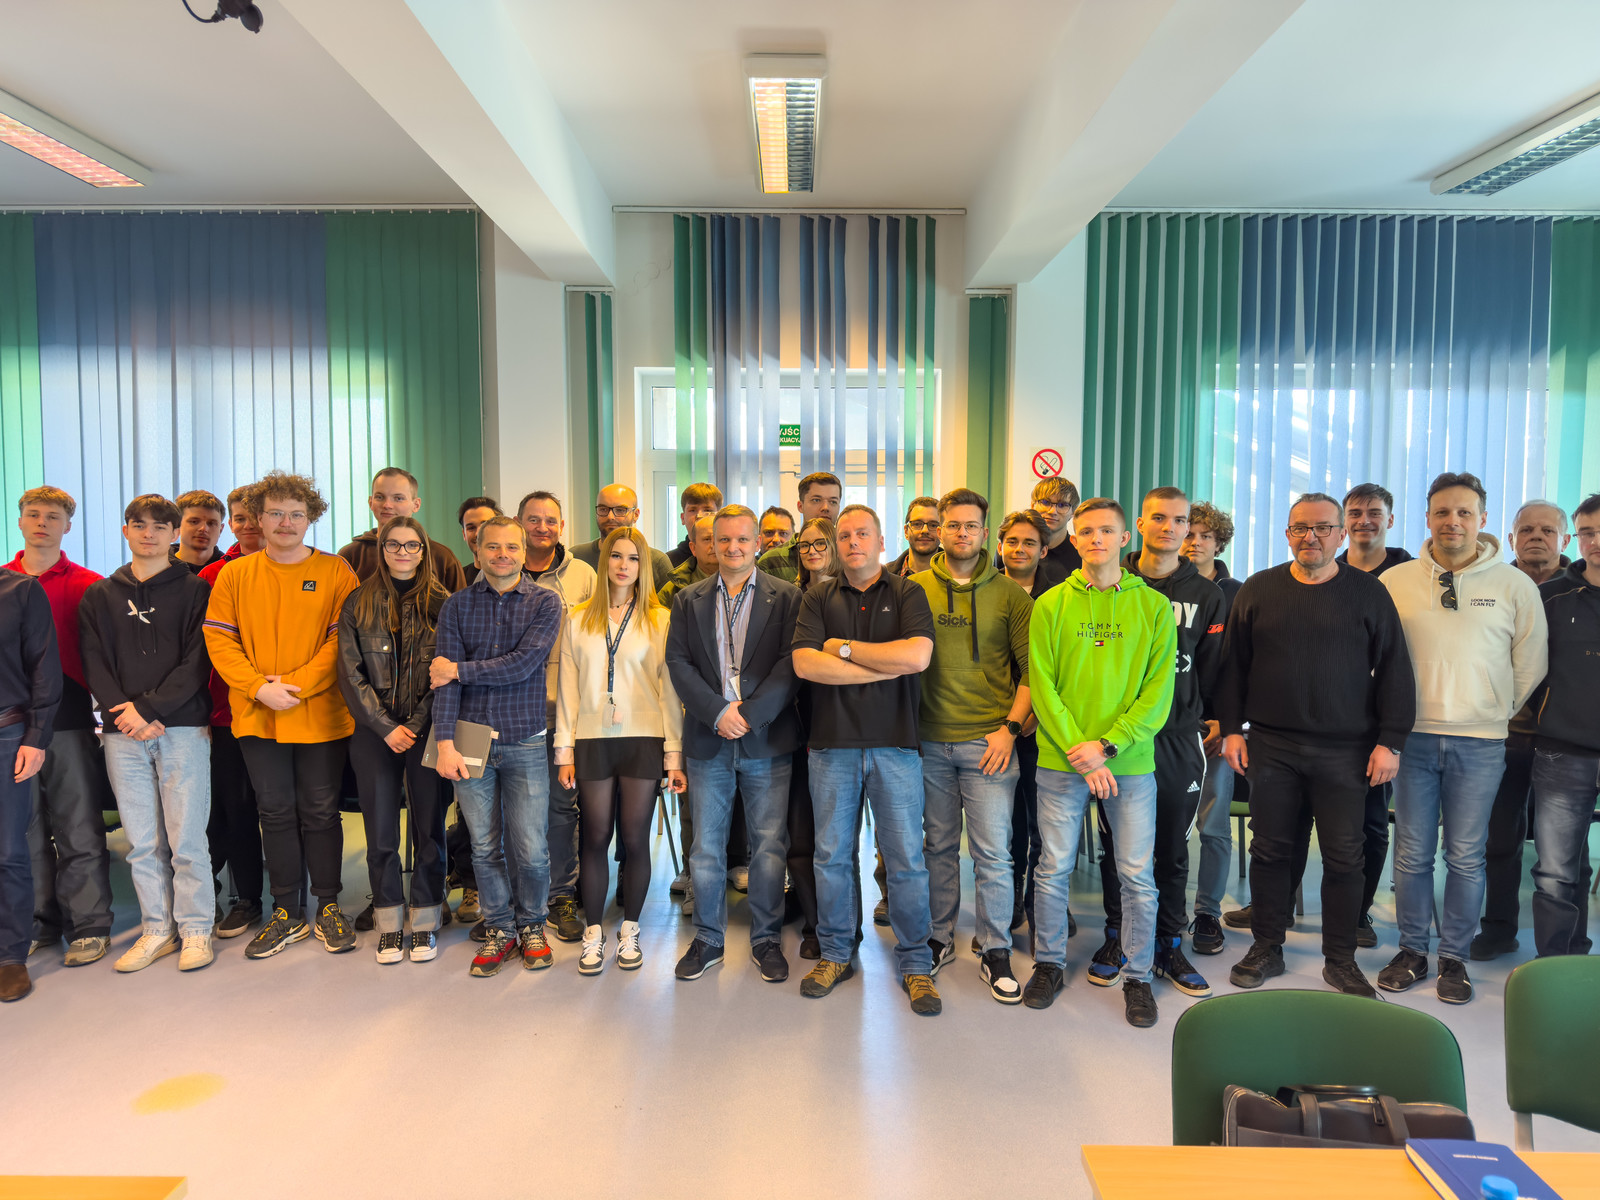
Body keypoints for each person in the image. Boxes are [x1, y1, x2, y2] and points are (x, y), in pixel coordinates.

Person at [1219, 493, 1414, 1000]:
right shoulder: (1259, 589)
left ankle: (1341, 959)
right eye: (1300, 528)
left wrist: (1391, 742)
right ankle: (1267, 946)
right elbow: (1234, 665)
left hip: (1347, 750)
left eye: (1323, 528)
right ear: (1288, 534)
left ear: (1340, 534)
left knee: (1345, 856)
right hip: (1273, 744)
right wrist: (1233, 728)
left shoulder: (1368, 593)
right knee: (1269, 850)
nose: (1311, 537)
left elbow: (1395, 667)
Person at [1380, 472, 1545, 1005]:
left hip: (1481, 742)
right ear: (1428, 518)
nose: (1453, 521)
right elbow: (1377, 656)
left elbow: (1531, 662)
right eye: (1443, 512)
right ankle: (1412, 950)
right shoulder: (1396, 581)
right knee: (1411, 854)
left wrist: (1492, 710)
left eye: (1464, 512)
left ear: (1483, 520)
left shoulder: (1513, 585)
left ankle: (1453, 957)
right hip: (1411, 740)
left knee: (1467, 856)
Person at [1026, 498, 1176, 1027]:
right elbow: (1042, 688)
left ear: (1124, 538)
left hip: (1129, 764)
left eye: (1106, 531)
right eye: (1086, 531)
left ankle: (1138, 976)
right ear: (1074, 539)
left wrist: (1107, 747)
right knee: (1053, 868)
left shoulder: (1153, 607)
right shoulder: (1050, 604)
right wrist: (1083, 753)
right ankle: (1048, 963)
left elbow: (1158, 694)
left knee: (1136, 875)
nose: (1096, 539)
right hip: (1062, 761)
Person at [203, 470, 361, 959]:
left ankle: (328, 905)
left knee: (320, 811)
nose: (286, 522)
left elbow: (342, 640)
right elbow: (219, 638)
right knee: (273, 812)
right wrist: (257, 688)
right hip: (257, 714)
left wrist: (295, 686)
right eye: (276, 513)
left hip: (320, 713)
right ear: (258, 518)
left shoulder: (336, 571)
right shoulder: (234, 574)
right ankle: (286, 911)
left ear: (310, 518)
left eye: (296, 513)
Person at [791, 504, 940, 1015]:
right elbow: (805, 664)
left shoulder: (908, 592)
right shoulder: (817, 597)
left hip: (896, 746)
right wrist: (883, 665)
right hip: (830, 747)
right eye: (845, 535)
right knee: (832, 857)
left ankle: (916, 962)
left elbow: (916, 657)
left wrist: (843, 650)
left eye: (863, 534)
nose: (853, 542)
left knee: (906, 861)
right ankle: (836, 953)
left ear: (880, 542)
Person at [1095, 487, 1224, 1000]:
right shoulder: (1112, 583)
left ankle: (1169, 943)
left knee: (1170, 847)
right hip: (1120, 737)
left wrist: (1215, 717)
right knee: (1118, 848)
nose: (1170, 528)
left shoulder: (1208, 594)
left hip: (1176, 737)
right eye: (1159, 518)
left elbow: (1213, 666)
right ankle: (1118, 937)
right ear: (1141, 525)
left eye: (1180, 520)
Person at [79, 495, 215, 974]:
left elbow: (199, 660)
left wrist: (150, 709)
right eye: (139, 525)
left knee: (186, 839)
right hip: (123, 732)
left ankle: (196, 929)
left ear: (175, 534)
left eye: (160, 526)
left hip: (182, 727)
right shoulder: (100, 595)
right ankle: (157, 929)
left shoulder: (196, 590)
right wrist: (126, 714)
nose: (149, 534)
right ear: (125, 531)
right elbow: (93, 661)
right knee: (141, 841)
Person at [667, 505, 802, 982]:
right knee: (707, 848)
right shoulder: (688, 599)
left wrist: (748, 714)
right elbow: (678, 663)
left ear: (758, 543)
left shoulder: (787, 597)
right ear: (710, 544)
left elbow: (791, 664)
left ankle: (766, 939)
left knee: (769, 845)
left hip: (766, 737)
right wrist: (718, 712)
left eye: (743, 539)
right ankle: (708, 938)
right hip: (709, 737)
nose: (732, 547)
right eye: (722, 539)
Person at [911, 488, 1033, 1004]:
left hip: (989, 743)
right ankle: (939, 937)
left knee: (992, 854)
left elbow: (1032, 673)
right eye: (952, 525)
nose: (962, 533)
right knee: (937, 847)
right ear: (939, 531)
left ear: (986, 533)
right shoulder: (913, 588)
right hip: (928, 742)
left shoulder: (1011, 595)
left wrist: (1010, 729)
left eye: (971, 526)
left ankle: (995, 948)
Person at [432, 515, 564, 977]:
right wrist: (444, 742)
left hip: (525, 738)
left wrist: (460, 669)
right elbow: (442, 683)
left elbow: (523, 665)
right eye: (493, 547)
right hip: (468, 742)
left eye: (512, 547)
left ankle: (533, 926)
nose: (502, 555)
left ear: (524, 553)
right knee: (484, 847)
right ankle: (500, 929)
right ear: (477, 551)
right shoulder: (456, 606)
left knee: (531, 848)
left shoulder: (545, 602)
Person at [554, 526, 685, 975]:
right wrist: (564, 751)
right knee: (593, 836)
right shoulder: (577, 619)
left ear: (643, 565)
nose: (623, 565)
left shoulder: (660, 620)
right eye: (616, 556)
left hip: (644, 738)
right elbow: (568, 690)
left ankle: (630, 930)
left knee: (634, 839)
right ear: (604, 561)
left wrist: (673, 755)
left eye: (633, 558)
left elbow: (669, 692)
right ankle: (593, 933)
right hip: (592, 739)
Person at [337, 515, 453, 964]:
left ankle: (425, 920)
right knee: (380, 830)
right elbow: (350, 673)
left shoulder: (444, 604)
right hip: (374, 734)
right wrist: (385, 726)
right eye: (393, 545)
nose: (403, 552)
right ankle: (388, 920)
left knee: (429, 828)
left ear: (424, 551)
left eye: (412, 545)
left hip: (427, 730)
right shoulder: (357, 602)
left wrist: (417, 723)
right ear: (381, 549)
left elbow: (446, 675)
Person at [7, 486, 113, 968]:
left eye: (53, 516)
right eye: (33, 514)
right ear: (20, 521)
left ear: (68, 525)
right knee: (24, 829)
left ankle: (89, 926)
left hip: (69, 719)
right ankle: (37, 923)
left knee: (78, 825)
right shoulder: (3, 583)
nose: (42, 523)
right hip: (13, 724)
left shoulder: (91, 585)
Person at [1475, 498, 1575, 959]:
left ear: (1565, 540)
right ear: (1511, 537)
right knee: (1499, 840)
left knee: (1567, 853)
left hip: (1568, 740)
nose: (1536, 537)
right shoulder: (1495, 584)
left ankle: (1565, 949)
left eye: (1547, 530)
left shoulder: (1583, 591)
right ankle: (1499, 930)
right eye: (1527, 530)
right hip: (1505, 733)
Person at [515, 490, 596, 944]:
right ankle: (520, 900)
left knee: (562, 808)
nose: (542, 527)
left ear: (562, 527)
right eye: (533, 519)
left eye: (551, 520)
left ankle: (561, 895)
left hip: (564, 712)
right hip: (509, 714)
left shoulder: (583, 575)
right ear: (519, 523)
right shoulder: (498, 569)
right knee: (514, 810)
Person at [1527, 494, 1600, 957]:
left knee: (1575, 866)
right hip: (1563, 748)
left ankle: (1579, 954)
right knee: (1556, 870)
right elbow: (1527, 667)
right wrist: (1547, 711)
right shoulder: (1550, 597)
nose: (1597, 541)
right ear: (1576, 539)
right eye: (1588, 532)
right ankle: (1555, 967)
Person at [1183, 500, 1246, 956]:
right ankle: (1158, 907)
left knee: (1214, 825)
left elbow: (1244, 664)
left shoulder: (1238, 592)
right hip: (1166, 726)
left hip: (1217, 726)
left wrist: (1228, 721)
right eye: (1189, 533)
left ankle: (1207, 912)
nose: (1195, 542)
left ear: (1219, 543)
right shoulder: (1158, 587)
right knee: (1160, 824)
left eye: (1205, 535)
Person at [202, 485, 265, 937]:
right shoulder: (211, 576)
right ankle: (247, 899)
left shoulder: (305, 568)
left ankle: (296, 897)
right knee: (234, 807)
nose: (248, 525)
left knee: (286, 809)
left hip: (289, 706)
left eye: (256, 517)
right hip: (226, 712)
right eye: (240, 517)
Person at [996, 509, 1061, 945]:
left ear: (1044, 550)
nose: (1020, 549)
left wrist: (1037, 714)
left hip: (1045, 728)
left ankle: (1042, 907)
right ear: (999, 545)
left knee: (1043, 825)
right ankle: (1011, 903)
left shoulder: (1060, 594)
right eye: (1013, 541)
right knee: (1006, 826)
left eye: (1030, 543)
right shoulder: (985, 589)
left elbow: (1066, 665)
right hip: (997, 726)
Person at [0, 567, 58, 1002]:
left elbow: (43, 667)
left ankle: (10, 957)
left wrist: (36, 738)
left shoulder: (20, 591)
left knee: (7, 852)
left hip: (6, 733)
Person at [786, 517, 839, 958]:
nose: (812, 551)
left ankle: (843, 925)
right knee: (799, 837)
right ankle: (814, 923)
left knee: (835, 841)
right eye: (804, 546)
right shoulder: (789, 597)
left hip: (840, 730)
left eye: (820, 543)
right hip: (794, 730)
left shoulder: (851, 596)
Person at [337, 467, 467, 591]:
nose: (387, 505)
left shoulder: (442, 558)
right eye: (380, 497)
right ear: (370, 502)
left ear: (416, 505)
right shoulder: (350, 556)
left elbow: (462, 605)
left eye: (398, 498)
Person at [571, 484, 673, 584]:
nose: (610, 517)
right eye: (603, 509)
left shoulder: (656, 562)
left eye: (620, 510)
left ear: (636, 515)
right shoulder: (576, 556)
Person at [757, 472, 843, 582]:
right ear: (800, 506)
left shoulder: (850, 555)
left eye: (833, 502)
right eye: (816, 500)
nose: (826, 507)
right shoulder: (771, 561)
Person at [1030, 476, 1084, 590]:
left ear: (1073, 512)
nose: (1052, 511)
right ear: (1032, 505)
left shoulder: (1083, 556)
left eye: (1062, 505)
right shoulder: (1014, 549)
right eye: (1045, 502)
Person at [657, 514, 718, 605]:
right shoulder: (674, 589)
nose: (714, 545)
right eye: (707, 539)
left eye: (721, 539)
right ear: (693, 548)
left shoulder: (739, 583)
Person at [666, 483, 723, 568]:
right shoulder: (668, 561)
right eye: (692, 510)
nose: (699, 516)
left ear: (719, 517)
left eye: (707, 510)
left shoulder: (729, 556)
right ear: (683, 518)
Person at [170, 490, 226, 574]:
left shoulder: (232, 571)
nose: (204, 528)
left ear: (220, 530)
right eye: (194, 522)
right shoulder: (156, 566)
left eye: (211, 523)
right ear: (178, 524)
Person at [887, 496, 941, 577]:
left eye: (933, 525)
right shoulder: (883, 576)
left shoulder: (957, 577)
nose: (925, 530)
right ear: (906, 531)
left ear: (941, 532)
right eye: (917, 524)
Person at [456, 496, 502, 588]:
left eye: (484, 525)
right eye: (471, 528)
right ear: (464, 534)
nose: (477, 533)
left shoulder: (517, 577)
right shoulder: (457, 580)